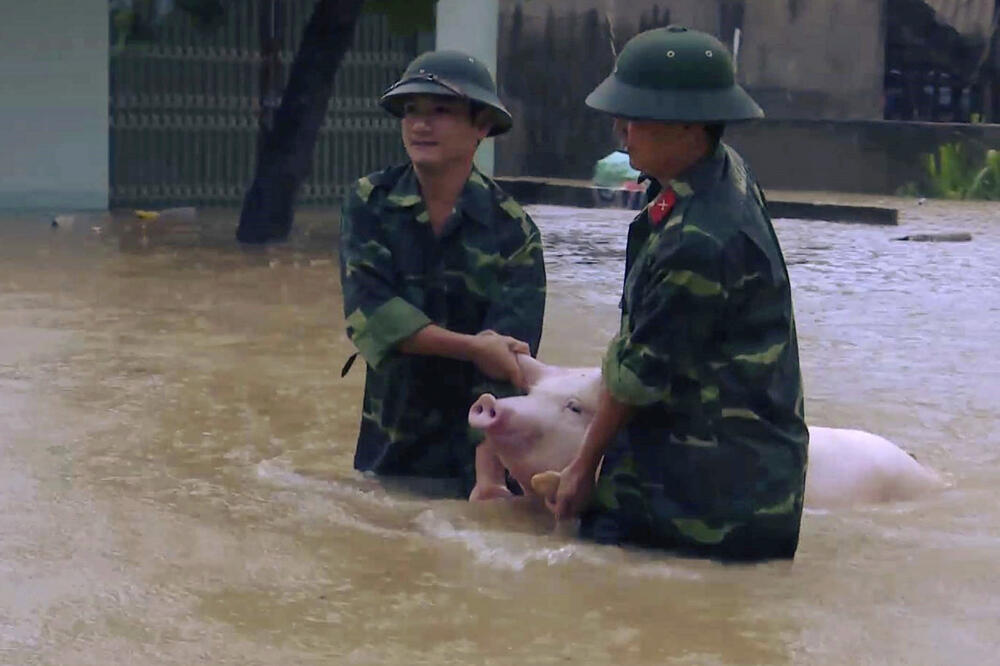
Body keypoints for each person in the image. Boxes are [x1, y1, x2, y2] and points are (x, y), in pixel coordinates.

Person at [547, 26, 809, 561]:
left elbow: (637, 377)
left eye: (636, 115)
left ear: (690, 125)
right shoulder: (720, 170)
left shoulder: (701, 241)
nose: (620, 129)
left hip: (702, 505)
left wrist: (581, 467)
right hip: (739, 478)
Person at [338, 50, 546, 499]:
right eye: (411, 111)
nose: (420, 124)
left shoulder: (513, 228)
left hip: (475, 456)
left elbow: (509, 360)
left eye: (441, 111)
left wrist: (488, 480)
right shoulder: (370, 201)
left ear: (482, 125)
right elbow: (372, 316)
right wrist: (472, 347)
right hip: (389, 447)